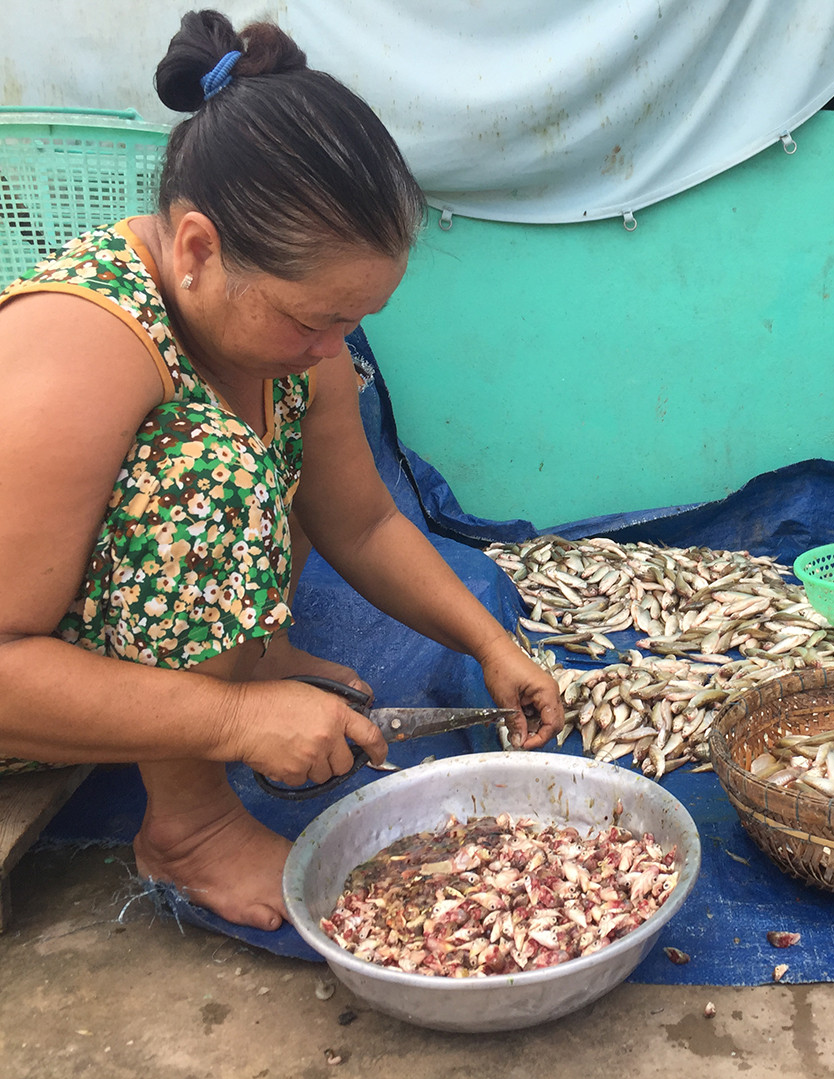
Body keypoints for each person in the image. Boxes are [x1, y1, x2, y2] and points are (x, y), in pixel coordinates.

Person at [0, 10, 564, 932]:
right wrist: (232, 724)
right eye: (313, 319)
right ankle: (191, 828)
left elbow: (367, 522)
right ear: (196, 250)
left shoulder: (302, 336)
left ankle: (238, 663)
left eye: (353, 320)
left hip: (95, 643)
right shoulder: (78, 345)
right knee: (206, 473)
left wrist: (489, 646)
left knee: (264, 438)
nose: (332, 349)